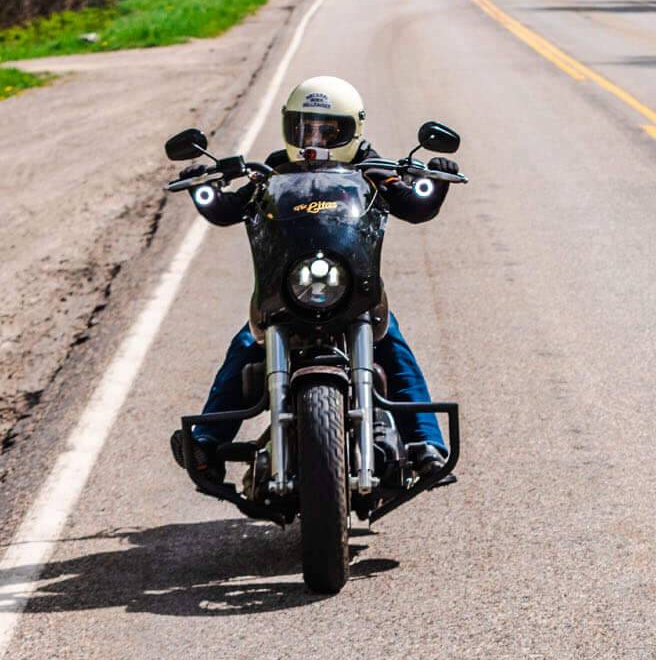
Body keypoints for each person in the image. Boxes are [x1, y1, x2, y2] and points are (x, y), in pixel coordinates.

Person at [170, 76, 449, 499]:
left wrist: (436, 180)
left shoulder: (375, 168)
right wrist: (203, 187)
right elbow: (228, 208)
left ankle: (426, 444)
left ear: (352, 129)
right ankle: (206, 441)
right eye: (304, 128)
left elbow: (415, 205)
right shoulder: (272, 171)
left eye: (327, 130)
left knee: (392, 345)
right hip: (289, 291)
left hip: (352, 291)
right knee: (247, 345)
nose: (313, 139)